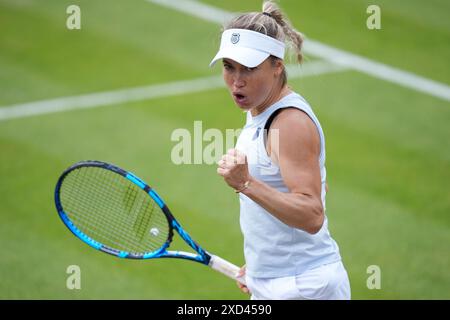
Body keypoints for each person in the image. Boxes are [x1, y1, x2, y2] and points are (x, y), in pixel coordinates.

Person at [210, 1, 351, 300]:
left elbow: (313, 215)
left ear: (277, 66)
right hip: (278, 280)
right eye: (229, 66)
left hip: (305, 288)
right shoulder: (260, 108)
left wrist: (246, 183)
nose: (237, 80)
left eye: (249, 68)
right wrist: (264, 266)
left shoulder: (289, 124)